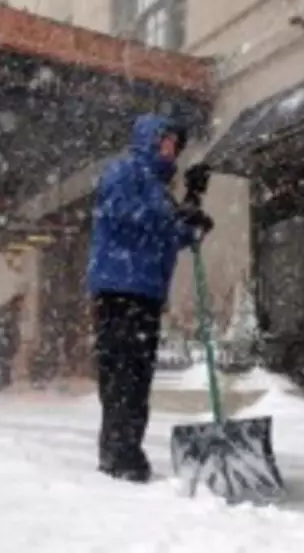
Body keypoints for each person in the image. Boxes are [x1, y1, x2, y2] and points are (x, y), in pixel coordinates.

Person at [87, 113, 213, 483]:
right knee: (122, 375)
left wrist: (192, 209)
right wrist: (178, 215)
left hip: (146, 292)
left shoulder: (158, 189)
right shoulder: (124, 173)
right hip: (119, 289)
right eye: (165, 141)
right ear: (148, 139)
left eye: (175, 144)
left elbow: (174, 236)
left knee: (138, 378)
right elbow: (124, 215)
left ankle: (127, 451)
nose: (171, 149)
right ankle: (118, 454)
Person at [0, 294, 24, 391]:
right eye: (21, 303)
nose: (23, 306)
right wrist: (4, 334)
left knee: (4, 363)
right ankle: (2, 383)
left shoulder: (9, 311)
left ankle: (3, 383)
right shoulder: (9, 312)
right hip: (4, 343)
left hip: (4, 343)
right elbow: (7, 326)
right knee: (4, 363)